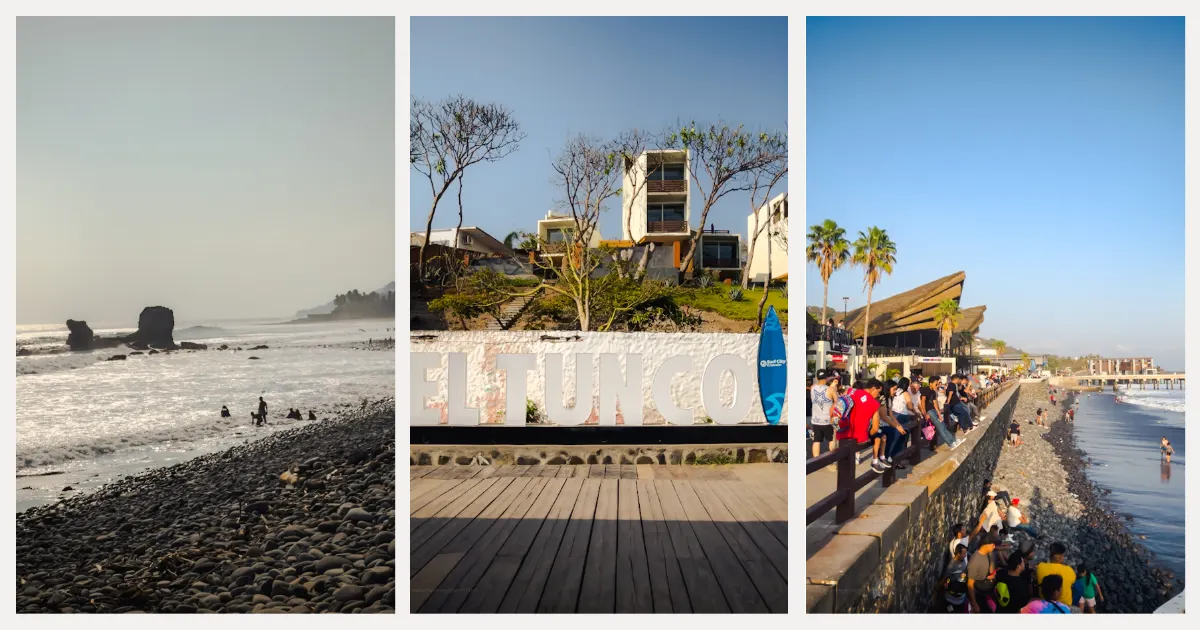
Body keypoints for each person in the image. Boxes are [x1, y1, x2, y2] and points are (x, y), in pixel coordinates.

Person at [838, 379, 886, 473]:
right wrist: (869, 435)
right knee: (880, 436)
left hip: (844, 433)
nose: (878, 395)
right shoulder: (873, 403)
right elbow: (875, 428)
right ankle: (876, 461)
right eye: (878, 392)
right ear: (873, 388)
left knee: (843, 468)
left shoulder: (850, 391)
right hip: (859, 438)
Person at [922, 375, 960, 448]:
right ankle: (950, 443)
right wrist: (924, 413)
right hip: (929, 411)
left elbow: (935, 403)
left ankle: (953, 440)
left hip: (934, 411)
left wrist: (939, 414)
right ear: (930, 383)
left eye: (937, 384)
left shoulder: (933, 392)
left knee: (943, 426)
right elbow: (922, 402)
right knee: (941, 427)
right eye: (935, 384)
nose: (937, 386)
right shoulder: (926, 390)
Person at [967, 533, 1001, 613]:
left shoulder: (987, 553)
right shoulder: (975, 561)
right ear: (986, 545)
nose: (994, 547)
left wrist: (991, 575)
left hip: (988, 588)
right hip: (980, 592)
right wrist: (974, 603)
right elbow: (970, 584)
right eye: (993, 545)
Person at [1035, 542, 1077, 607]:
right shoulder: (1069, 570)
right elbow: (1073, 581)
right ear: (1060, 556)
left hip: (1045, 604)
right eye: (1063, 555)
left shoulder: (1041, 567)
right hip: (1065, 606)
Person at [809, 370, 837, 459]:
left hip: (816, 420)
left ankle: (816, 460)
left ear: (817, 378)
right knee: (831, 440)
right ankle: (832, 459)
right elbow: (837, 402)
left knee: (816, 441)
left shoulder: (812, 388)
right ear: (827, 378)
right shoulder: (831, 390)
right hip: (828, 420)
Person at [943, 543, 970, 613]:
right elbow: (946, 580)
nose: (965, 555)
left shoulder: (962, 561)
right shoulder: (951, 566)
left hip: (961, 598)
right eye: (964, 553)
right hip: (951, 599)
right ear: (958, 554)